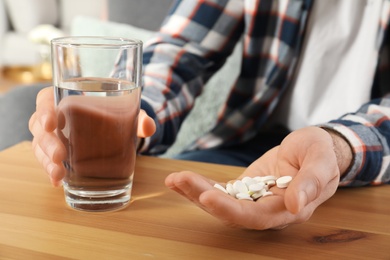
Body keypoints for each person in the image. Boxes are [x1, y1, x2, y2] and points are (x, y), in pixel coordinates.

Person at [29, 0, 390, 230]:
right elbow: (181, 47)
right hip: (248, 145)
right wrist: (127, 114)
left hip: (370, 160)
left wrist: (339, 146)